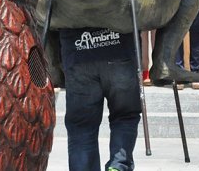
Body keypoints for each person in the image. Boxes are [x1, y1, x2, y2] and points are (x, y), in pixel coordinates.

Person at [59, 27, 141, 171]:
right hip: (120, 50)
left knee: (82, 126)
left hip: (78, 52)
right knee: (124, 116)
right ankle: (118, 166)